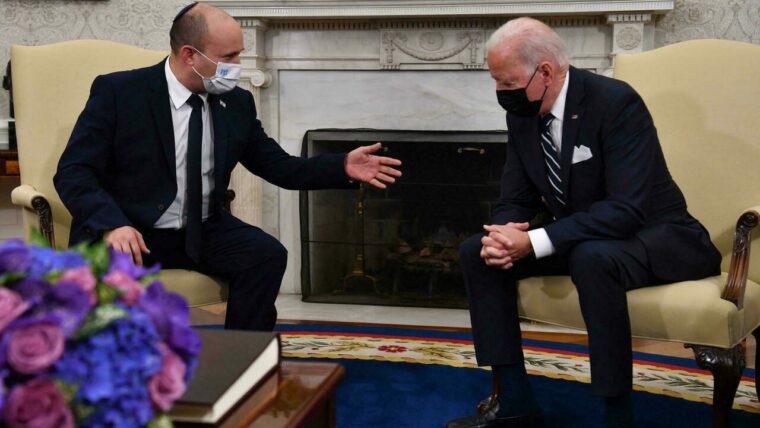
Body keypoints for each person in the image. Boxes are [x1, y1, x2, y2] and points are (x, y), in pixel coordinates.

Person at [54, 2, 401, 332]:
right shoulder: (120, 92)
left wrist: (342, 165)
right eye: (228, 57)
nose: (237, 65)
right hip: (130, 229)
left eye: (239, 54)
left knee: (266, 255)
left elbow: (279, 167)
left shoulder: (236, 103)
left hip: (200, 230)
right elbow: (73, 171)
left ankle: (243, 355)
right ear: (189, 55)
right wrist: (113, 224)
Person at [446, 17, 720, 428]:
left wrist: (534, 241)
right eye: (496, 81)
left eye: (507, 82)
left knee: (592, 258)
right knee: (477, 253)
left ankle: (617, 416)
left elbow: (626, 209)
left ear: (545, 72)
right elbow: (515, 197)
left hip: (658, 236)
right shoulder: (523, 114)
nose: (501, 92)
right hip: (589, 237)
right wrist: (503, 235)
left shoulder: (615, 103)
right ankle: (515, 403)